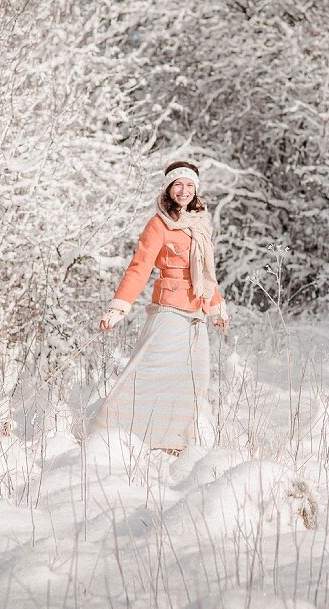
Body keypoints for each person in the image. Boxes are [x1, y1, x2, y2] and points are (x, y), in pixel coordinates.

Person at [88, 161, 230, 455]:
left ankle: (172, 440)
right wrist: (119, 307)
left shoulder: (200, 225)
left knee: (195, 377)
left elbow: (204, 271)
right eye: (178, 184)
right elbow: (139, 269)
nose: (184, 191)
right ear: (168, 188)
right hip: (169, 310)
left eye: (190, 186)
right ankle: (108, 432)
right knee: (148, 370)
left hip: (197, 312)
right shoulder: (158, 224)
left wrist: (216, 308)